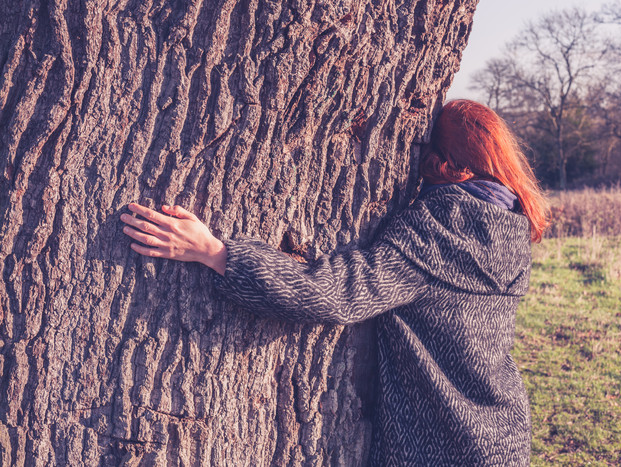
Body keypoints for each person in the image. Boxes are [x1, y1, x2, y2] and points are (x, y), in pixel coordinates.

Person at [120, 99, 549, 466]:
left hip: (448, 444)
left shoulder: (443, 228)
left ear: (441, 163)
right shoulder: (510, 226)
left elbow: (334, 296)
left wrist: (215, 253)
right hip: (502, 435)